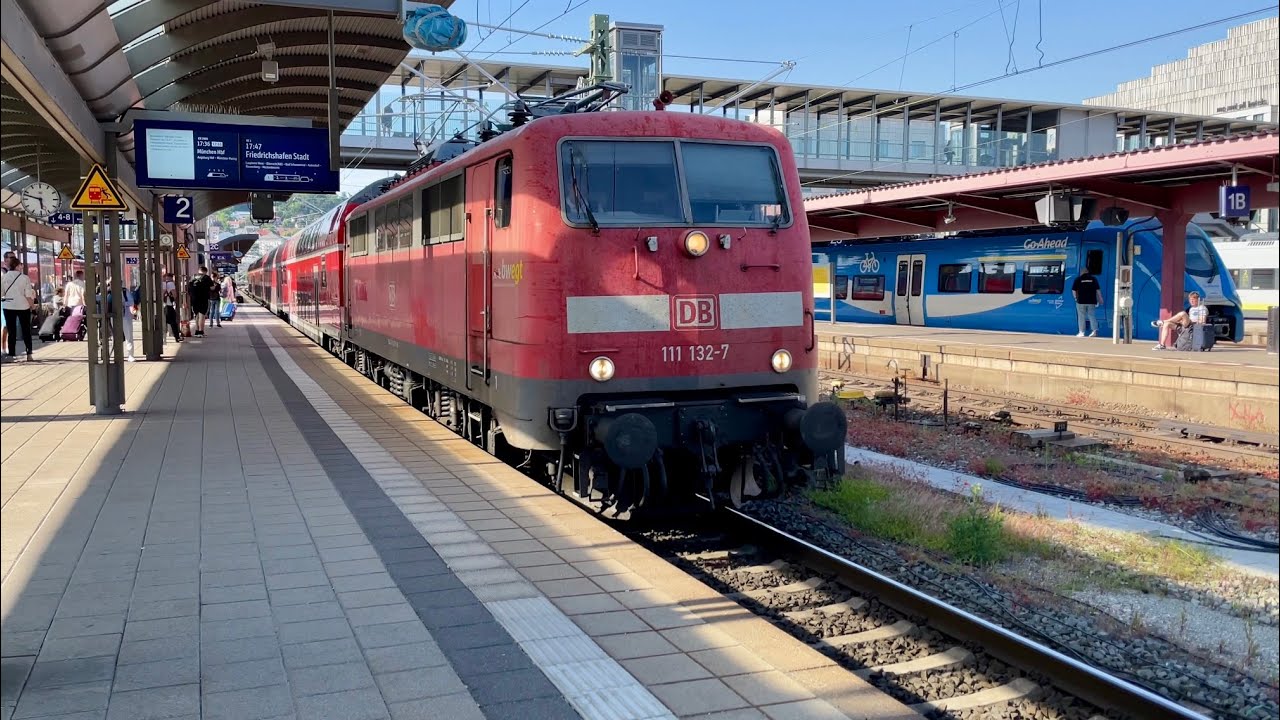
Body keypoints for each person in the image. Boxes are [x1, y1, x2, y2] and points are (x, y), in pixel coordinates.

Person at [2, 255, 37, 361]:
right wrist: (32, 306)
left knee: (11, 331)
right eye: (20, 265)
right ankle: (29, 354)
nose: (21, 267)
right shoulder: (24, 278)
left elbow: (1, 293)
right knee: (26, 330)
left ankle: (11, 354)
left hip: (8, 306)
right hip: (23, 306)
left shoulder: (4, 277)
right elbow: (28, 294)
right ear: (17, 266)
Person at [1071, 267, 1103, 337]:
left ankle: (1081, 332)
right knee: (1092, 315)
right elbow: (1098, 290)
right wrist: (1100, 299)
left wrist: (1075, 298)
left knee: (1081, 316)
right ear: (1087, 272)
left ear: (1081, 272)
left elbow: (1073, 290)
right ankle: (1094, 331)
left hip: (1081, 301)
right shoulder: (1093, 279)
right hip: (1091, 301)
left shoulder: (1078, 279)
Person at [187, 266, 217, 337]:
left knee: (196, 315)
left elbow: (189, 288)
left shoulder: (193, 277)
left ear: (199, 270)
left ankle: (197, 331)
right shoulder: (206, 278)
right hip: (203, 298)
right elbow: (212, 288)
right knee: (202, 315)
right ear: (205, 271)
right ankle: (201, 331)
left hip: (194, 299)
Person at [162, 272, 182, 344]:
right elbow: (174, 295)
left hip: (162, 305)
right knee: (173, 321)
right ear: (171, 277)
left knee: (163, 322)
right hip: (169, 304)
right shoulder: (170, 284)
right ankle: (177, 337)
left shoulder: (162, 283)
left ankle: (164, 339)